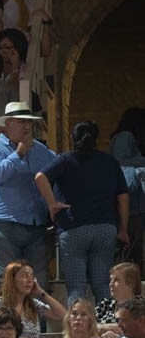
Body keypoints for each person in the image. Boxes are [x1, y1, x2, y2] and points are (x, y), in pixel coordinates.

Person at [34, 119, 129, 302]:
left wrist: (52, 204)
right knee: (103, 284)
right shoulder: (110, 161)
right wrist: (123, 229)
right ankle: (106, 325)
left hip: (73, 228)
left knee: (76, 287)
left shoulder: (65, 160)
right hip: (105, 228)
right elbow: (123, 197)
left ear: (72, 138)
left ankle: (76, 329)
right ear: (96, 139)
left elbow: (40, 177)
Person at [0, 102, 55, 286]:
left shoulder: (39, 149)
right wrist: (19, 153)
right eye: (22, 121)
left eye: (29, 122)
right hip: (4, 225)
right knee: (10, 286)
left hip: (35, 225)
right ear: (8, 124)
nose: (27, 126)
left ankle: (35, 316)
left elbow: (60, 168)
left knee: (40, 285)